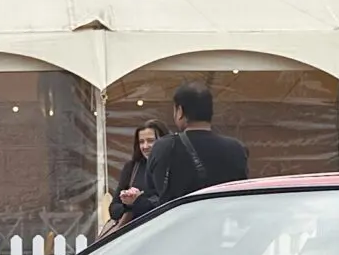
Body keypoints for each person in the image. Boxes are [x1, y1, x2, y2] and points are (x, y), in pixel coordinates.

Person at [136, 83, 249, 217]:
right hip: (220, 230)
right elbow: (242, 197)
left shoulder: (164, 147)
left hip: (175, 230)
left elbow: (151, 193)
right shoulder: (236, 149)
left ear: (180, 111)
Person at [105, 119, 168, 233]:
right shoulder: (132, 167)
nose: (145, 146)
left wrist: (137, 201)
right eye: (141, 142)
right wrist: (127, 204)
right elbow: (113, 209)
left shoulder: (172, 167)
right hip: (135, 237)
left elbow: (168, 204)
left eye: (150, 141)